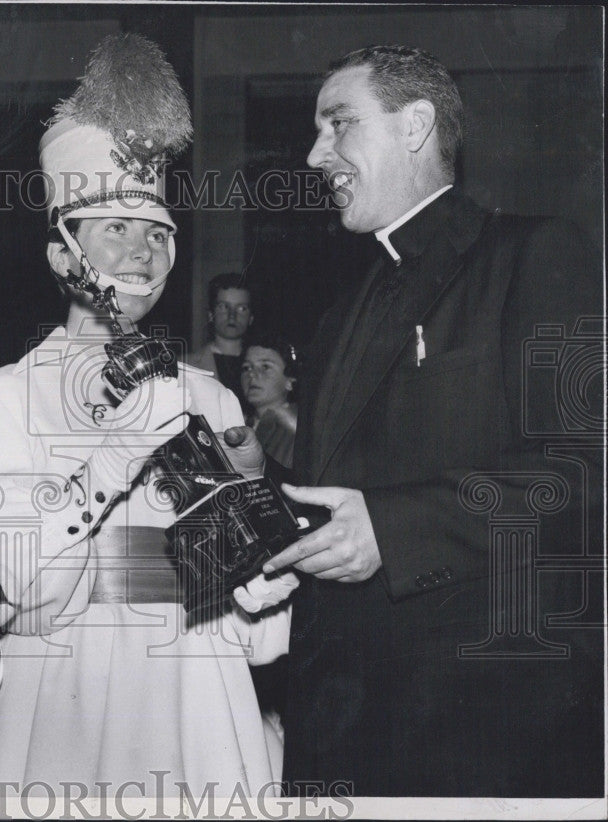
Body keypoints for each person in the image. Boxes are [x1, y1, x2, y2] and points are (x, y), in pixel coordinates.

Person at [0, 34, 298, 796]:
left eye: (159, 234)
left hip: (195, 684)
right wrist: (114, 459)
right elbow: (29, 595)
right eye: (115, 229)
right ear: (60, 256)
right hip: (59, 683)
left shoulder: (209, 394)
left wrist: (261, 573)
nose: (143, 252)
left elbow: (262, 640)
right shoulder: (3, 394)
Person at [261, 45, 603, 796]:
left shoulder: (536, 254)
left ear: (415, 125)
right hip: (333, 724)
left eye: (339, 125)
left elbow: (582, 472)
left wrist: (394, 527)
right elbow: (342, 490)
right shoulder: (339, 306)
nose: (317, 155)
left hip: (480, 729)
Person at [186, 272, 253, 411]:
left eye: (242, 308)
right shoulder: (187, 365)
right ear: (211, 314)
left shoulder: (262, 367)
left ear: (251, 317)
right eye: (223, 306)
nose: (232, 315)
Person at [240, 330, 299, 469]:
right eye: (246, 367)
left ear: (290, 381)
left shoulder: (298, 427)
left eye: (265, 367)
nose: (252, 375)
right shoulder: (239, 422)